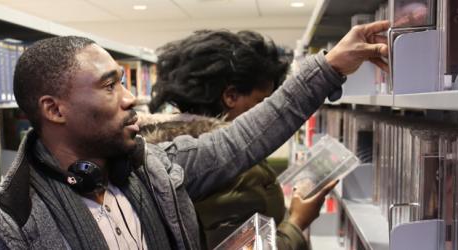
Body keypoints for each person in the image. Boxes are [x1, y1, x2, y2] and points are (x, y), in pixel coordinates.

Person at [0, 20, 390, 250]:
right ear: (54, 109)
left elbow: (244, 138)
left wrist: (332, 65)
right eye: (109, 86)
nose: (131, 99)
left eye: (125, 81)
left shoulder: (156, 170)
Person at [141, 29, 334, 249]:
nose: (268, 112)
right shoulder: (226, 169)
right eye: (263, 102)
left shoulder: (175, 147)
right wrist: (298, 222)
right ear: (231, 96)